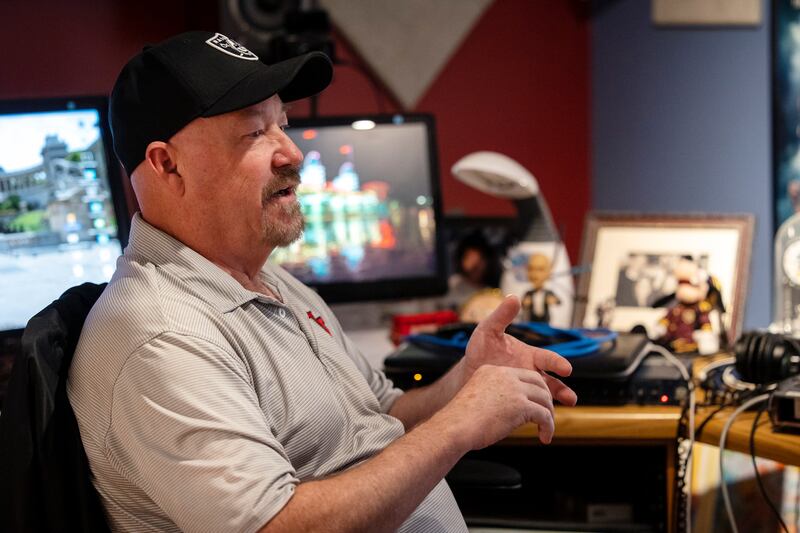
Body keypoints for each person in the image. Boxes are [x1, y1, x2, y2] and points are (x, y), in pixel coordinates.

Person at [67, 31, 577, 533]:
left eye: (281, 125)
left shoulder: (271, 281)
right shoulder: (162, 336)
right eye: (254, 132)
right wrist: (458, 425)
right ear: (166, 163)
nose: (292, 152)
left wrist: (465, 380)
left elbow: (381, 414)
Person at [521, 253, 561, 323]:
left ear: (549, 272)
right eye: (531, 269)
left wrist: (554, 300)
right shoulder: (529, 293)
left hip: (545, 321)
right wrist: (524, 303)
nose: (535, 274)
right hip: (532, 320)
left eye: (540, 269)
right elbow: (523, 304)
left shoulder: (548, 293)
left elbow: (558, 301)